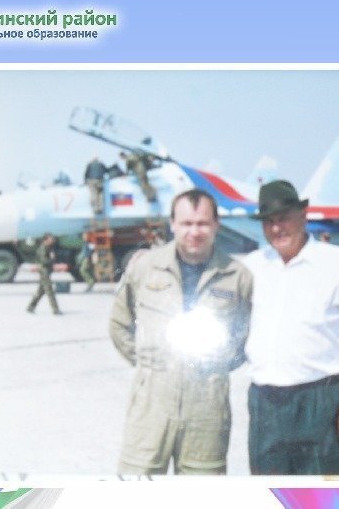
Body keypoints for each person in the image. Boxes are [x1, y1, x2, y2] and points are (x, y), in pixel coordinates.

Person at [243, 180, 339, 475]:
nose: (277, 228)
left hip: (321, 401)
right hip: (266, 403)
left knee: (326, 493)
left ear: (303, 216)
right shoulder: (252, 267)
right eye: (269, 222)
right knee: (269, 491)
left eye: (284, 218)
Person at [109, 189, 253, 476]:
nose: (194, 232)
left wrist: (217, 364)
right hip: (151, 404)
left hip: (207, 407)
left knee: (201, 491)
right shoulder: (145, 268)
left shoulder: (237, 276)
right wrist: (148, 362)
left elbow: (246, 333)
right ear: (173, 224)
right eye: (186, 223)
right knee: (135, 487)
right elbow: (119, 322)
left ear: (216, 225)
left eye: (202, 223)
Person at [26, 233, 62, 315]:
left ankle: (30, 307)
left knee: (41, 291)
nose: (52, 240)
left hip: (46, 271)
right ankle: (55, 309)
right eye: (50, 239)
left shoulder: (48, 247)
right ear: (45, 240)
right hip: (44, 271)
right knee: (50, 291)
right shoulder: (43, 248)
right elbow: (44, 261)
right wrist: (52, 259)